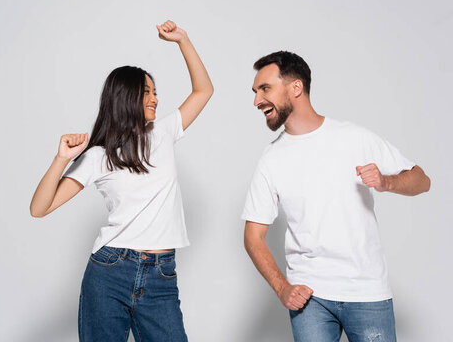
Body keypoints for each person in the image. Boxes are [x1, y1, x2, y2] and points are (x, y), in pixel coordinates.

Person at [30, 20, 213, 342]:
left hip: (161, 273)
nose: (155, 99)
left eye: (156, 92)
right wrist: (60, 159)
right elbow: (39, 208)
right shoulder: (99, 155)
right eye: (147, 93)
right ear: (125, 97)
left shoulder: (164, 133)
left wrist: (182, 40)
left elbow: (204, 90)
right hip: (110, 271)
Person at [242, 51, 430, 342]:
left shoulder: (354, 138)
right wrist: (282, 288)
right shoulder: (271, 158)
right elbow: (253, 236)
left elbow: (421, 180)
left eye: (264, 89)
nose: (256, 101)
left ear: (296, 88)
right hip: (310, 298)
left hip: (366, 292)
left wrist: (385, 181)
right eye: (255, 92)